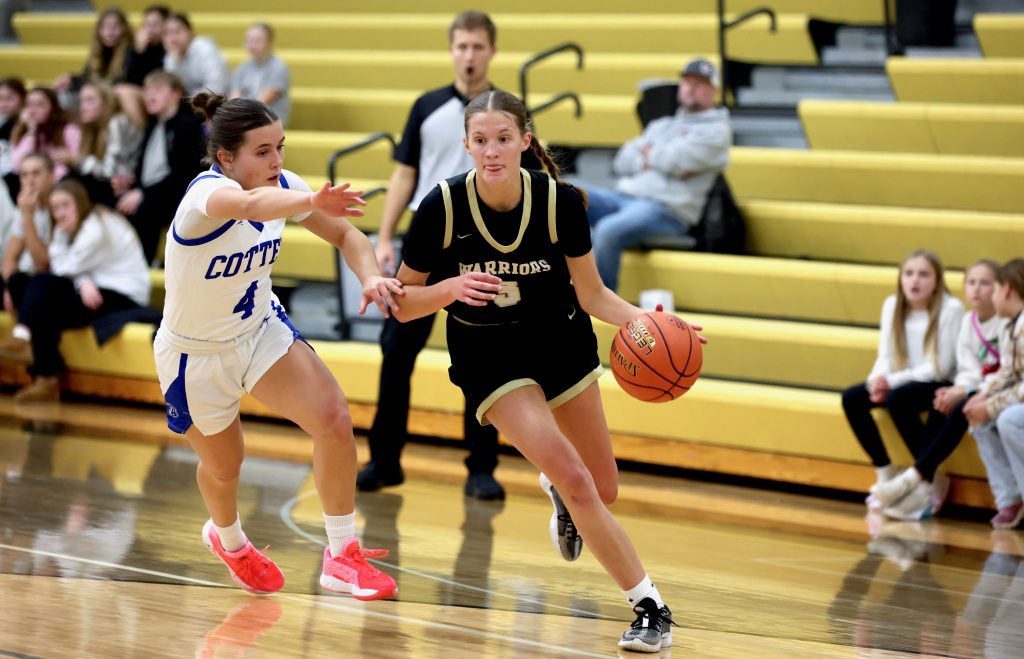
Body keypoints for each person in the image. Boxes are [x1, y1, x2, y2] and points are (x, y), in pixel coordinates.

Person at [391, 89, 702, 653]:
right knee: (580, 479)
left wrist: (656, 324)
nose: (492, 151)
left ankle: (560, 493)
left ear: (524, 141)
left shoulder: (560, 202)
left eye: (504, 139)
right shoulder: (439, 208)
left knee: (601, 489)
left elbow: (593, 294)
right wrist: (450, 288)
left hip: (559, 341)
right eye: (480, 140)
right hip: (489, 356)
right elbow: (404, 302)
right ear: (466, 145)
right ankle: (651, 608)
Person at [154, 92, 401, 599]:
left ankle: (341, 555)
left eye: (280, 148)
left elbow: (350, 237)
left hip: (259, 330)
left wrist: (371, 277)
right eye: (262, 152)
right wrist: (310, 201)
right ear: (226, 158)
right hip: (195, 355)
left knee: (333, 418)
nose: (277, 162)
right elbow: (248, 206)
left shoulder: (286, 187)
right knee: (226, 467)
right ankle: (230, 541)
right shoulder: (206, 195)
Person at [580, 58, 731, 291]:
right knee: (563, 193)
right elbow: (622, 160)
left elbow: (674, 161)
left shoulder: (717, 132)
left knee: (608, 230)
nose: (691, 87)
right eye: (687, 81)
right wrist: (656, 159)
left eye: (700, 84)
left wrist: (649, 156)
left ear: (713, 91)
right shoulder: (661, 125)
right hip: (625, 196)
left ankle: (599, 305)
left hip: (667, 210)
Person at [872, 259, 1005, 520]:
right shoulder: (969, 321)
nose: (977, 289)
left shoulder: (1007, 322)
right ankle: (921, 484)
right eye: (971, 282)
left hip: (999, 391)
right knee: (938, 402)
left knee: (960, 407)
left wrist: (964, 391)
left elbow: (1007, 372)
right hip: (974, 388)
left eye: (985, 283)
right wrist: (959, 389)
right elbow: (968, 369)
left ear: (1001, 288)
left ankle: (916, 476)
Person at [1, 178, 148, 402]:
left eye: (65, 205)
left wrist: (82, 281)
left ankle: (32, 351)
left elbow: (60, 268)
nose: (59, 213)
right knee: (19, 281)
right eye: (55, 208)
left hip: (123, 295)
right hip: (95, 288)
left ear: (79, 202)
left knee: (44, 290)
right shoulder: (70, 228)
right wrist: (84, 281)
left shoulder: (98, 225)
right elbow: (67, 267)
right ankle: (41, 372)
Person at [841, 250, 964, 510]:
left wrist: (892, 382)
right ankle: (886, 473)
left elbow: (940, 368)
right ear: (900, 278)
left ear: (937, 281)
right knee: (852, 398)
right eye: (909, 274)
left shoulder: (950, 308)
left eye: (923, 274)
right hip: (901, 382)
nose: (914, 281)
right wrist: (876, 380)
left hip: (938, 383)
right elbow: (884, 354)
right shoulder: (892, 304)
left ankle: (928, 477)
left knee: (899, 398)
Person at [115, 71, 204, 263]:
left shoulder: (186, 127)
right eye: (147, 90)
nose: (149, 95)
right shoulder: (154, 125)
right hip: (154, 192)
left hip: (177, 196)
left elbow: (184, 176)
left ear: (175, 93)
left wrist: (142, 193)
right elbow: (148, 169)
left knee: (145, 210)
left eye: (157, 89)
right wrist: (131, 183)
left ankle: (143, 264)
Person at [965, 258, 1024, 529]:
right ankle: (1009, 499)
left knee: (1009, 419)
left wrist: (991, 406)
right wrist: (981, 396)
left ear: (1007, 290)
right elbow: (1008, 373)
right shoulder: (1014, 325)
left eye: (995, 287)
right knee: (980, 419)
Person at [0, 153, 56, 357]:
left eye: (36, 173)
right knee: (16, 280)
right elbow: (9, 260)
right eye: (23, 175)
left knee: (36, 284)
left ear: (52, 175)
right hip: (29, 283)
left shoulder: (61, 205)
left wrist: (27, 217)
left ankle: (23, 341)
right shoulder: (25, 208)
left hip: (56, 284)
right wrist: (9, 286)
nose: (29, 180)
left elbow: (43, 265)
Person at [55, 81, 143, 207]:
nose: (83, 107)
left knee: (74, 183)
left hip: (128, 190)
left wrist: (78, 160)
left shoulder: (117, 123)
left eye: (90, 100)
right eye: (82, 101)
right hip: (112, 187)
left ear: (106, 102)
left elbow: (110, 173)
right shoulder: (93, 130)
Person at [7, 87, 82, 188]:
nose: (33, 110)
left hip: (61, 184)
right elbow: (16, 167)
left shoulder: (68, 130)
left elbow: (80, 161)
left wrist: (71, 158)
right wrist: (31, 132)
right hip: (32, 185)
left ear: (52, 107)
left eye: (40, 105)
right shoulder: (23, 132)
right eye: (29, 105)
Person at [52, 8, 132, 101]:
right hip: (97, 98)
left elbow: (124, 83)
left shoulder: (132, 51)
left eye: (115, 27)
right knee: (63, 94)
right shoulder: (97, 52)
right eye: (105, 27)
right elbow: (86, 79)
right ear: (99, 30)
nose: (110, 32)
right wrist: (70, 79)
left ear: (124, 29)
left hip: (115, 100)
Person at [117, 5, 170, 128]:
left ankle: (145, 137)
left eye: (155, 24)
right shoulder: (139, 49)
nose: (150, 29)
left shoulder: (170, 46)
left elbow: (165, 75)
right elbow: (129, 78)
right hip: (145, 93)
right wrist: (138, 52)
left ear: (166, 24)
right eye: (147, 25)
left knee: (124, 92)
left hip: (165, 91)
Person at [230, 23, 291, 127]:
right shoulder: (243, 67)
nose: (252, 45)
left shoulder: (278, 67)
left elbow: (262, 103)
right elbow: (234, 99)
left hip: (269, 120)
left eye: (257, 41)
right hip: (246, 118)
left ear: (269, 43)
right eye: (248, 40)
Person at [162, 12, 231, 96]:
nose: (173, 38)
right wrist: (174, 63)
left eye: (177, 31)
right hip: (192, 102)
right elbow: (172, 92)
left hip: (220, 100)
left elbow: (216, 87)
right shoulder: (171, 56)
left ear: (190, 31)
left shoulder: (205, 49)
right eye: (168, 33)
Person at [0, 78, 26, 177]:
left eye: (9, 98)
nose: (3, 104)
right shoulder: (3, 121)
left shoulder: (30, 124)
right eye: (0, 98)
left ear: (23, 98)